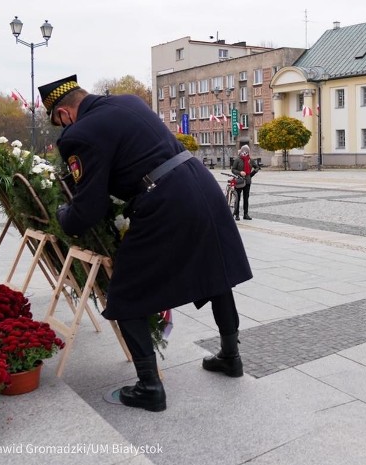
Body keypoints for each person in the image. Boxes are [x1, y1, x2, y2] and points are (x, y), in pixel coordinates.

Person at [40, 75, 253, 412]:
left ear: (64, 114)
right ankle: (231, 357)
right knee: (216, 273)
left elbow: (88, 208)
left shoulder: (79, 134)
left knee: (126, 294)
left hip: (165, 199)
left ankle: (149, 387)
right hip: (201, 185)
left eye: (58, 123)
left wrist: (63, 215)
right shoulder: (129, 101)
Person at [231, 144, 258, 220]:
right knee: (238, 198)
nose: (245, 153)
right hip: (239, 181)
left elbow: (257, 167)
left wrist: (251, 174)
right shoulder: (237, 159)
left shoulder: (251, 160)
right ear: (241, 151)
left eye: (246, 151)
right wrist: (240, 173)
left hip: (247, 181)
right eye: (243, 151)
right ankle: (237, 214)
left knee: (246, 198)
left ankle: (246, 214)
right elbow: (233, 170)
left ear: (248, 152)